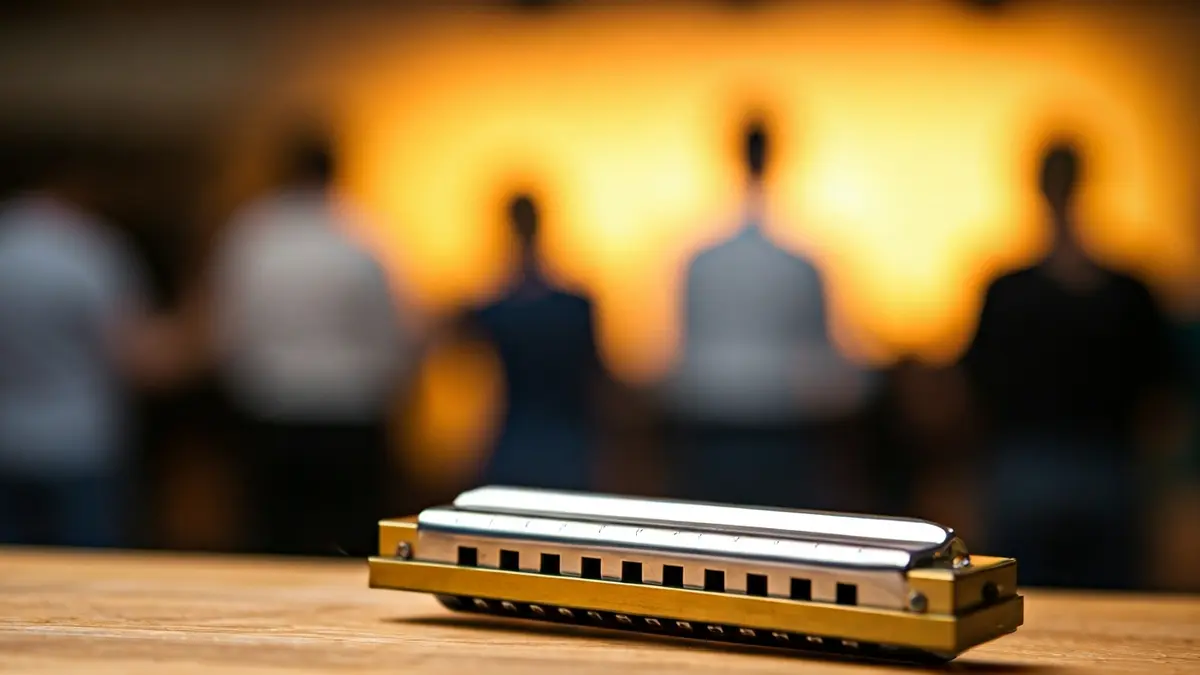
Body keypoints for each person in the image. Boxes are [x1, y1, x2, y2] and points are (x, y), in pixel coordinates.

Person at [962, 140, 1174, 589]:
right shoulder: (1126, 289)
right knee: (1108, 608)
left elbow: (974, 383)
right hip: (1095, 462)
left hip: (1048, 463)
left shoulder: (1010, 290)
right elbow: (1160, 390)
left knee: (1025, 605)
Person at [211, 130, 415, 557]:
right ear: (336, 170)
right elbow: (394, 335)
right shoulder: (364, 236)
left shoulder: (253, 234)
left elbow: (226, 329)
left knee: (271, 544)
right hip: (350, 413)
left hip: (271, 408)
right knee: (348, 544)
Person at [662, 118, 869, 510]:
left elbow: (681, 355)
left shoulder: (702, 261)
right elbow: (826, 360)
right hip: (777, 435)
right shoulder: (800, 262)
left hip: (715, 432)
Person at [0, 142, 167, 547]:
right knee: (84, 578)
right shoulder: (90, 250)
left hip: (8, 437)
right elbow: (135, 357)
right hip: (80, 443)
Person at [458, 193, 605, 491]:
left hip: (515, 443)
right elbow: (599, 376)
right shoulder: (573, 306)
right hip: (565, 445)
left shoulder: (493, 309)